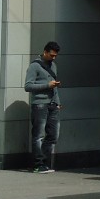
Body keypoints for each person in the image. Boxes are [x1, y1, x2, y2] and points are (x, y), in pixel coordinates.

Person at [24, 42, 62, 173]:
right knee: (38, 135)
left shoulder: (54, 66)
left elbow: (54, 87)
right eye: (51, 55)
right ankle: (37, 164)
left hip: (53, 104)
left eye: (56, 56)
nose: (53, 58)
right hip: (40, 104)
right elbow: (28, 86)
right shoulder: (35, 66)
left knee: (53, 135)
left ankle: (45, 162)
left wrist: (57, 102)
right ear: (45, 52)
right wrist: (47, 85)